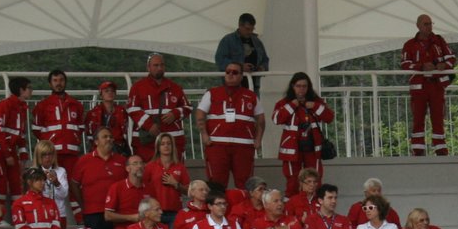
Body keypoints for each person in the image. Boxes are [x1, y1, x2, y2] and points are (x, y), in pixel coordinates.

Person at [196, 61, 263, 190]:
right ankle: (217, 209)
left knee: (245, 184)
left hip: (244, 146)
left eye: (235, 72)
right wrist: (204, 135)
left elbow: (261, 120)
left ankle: (244, 209)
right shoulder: (212, 93)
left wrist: (258, 139)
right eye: (228, 72)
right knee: (216, 184)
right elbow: (199, 115)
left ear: (242, 76)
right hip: (217, 145)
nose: (230, 75)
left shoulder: (251, 96)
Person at [401, 14, 458, 156]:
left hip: (436, 86)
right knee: (418, 119)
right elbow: (405, 64)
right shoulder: (409, 45)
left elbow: (451, 58)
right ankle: (418, 150)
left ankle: (441, 150)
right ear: (418, 25)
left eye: (431, 23)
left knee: (438, 118)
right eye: (426, 24)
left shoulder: (439, 41)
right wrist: (421, 67)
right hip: (418, 87)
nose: (429, 26)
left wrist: (444, 65)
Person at [273, 72, 334, 190]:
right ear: (292, 86)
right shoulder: (284, 103)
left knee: (314, 179)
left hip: (312, 148)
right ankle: (292, 205)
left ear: (308, 87)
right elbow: (276, 119)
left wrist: (315, 106)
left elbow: (329, 117)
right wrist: (292, 105)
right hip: (292, 150)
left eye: (304, 86)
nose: (301, 89)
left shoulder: (316, 102)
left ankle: (314, 205)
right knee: (292, 181)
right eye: (298, 86)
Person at [127, 53, 188, 161]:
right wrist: (148, 125)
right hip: (146, 143)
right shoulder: (137, 87)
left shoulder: (175, 87)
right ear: (148, 67)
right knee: (146, 174)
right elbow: (132, 109)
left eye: (162, 65)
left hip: (173, 141)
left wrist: (175, 113)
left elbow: (187, 107)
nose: (159, 68)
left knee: (172, 173)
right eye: (155, 65)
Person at [214, 12, 269, 92]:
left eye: (252, 29)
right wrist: (240, 67)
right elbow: (220, 60)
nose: (250, 32)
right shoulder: (228, 40)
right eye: (247, 29)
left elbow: (265, 59)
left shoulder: (257, 42)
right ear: (240, 26)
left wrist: (261, 68)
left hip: (253, 86)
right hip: (232, 87)